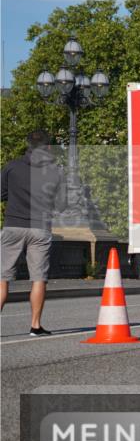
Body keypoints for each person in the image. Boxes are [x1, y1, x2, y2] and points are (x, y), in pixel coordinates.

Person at [0, 130, 66, 335]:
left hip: (13, 225)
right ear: (47, 148)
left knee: (2, 277)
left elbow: (1, 194)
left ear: (27, 145)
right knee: (39, 278)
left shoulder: (11, 167)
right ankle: (35, 325)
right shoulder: (56, 171)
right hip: (40, 228)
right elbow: (62, 205)